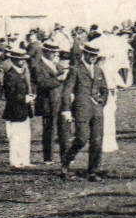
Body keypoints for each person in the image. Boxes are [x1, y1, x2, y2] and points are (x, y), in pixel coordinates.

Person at [59, 42, 111, 180]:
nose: (93, 58)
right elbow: (66, 91)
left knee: (97, 140)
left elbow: (105, 89)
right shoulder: (76, 69)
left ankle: (93, 170)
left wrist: (101, 102)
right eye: (91, 55)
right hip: (81, 109)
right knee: (81, 138)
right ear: (85, 54)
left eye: (95, 55)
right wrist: (66, 110)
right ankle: (66, 161)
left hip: (97, 110)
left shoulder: (99, 70)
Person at [28, 38, 66, 164]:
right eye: (53, 52)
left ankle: (64, 156)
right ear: (45, 52)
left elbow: (63, 72)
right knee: (49, 130)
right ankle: (48, 157)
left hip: (60, 100)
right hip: (47, 102)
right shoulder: (38, 65)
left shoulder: (55, 64)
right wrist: (58, 79)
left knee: (63, 129)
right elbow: (41, 83)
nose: (56, 54)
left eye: (56, 52)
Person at [0, 45, 34, 169]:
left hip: (24, 110)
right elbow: (10, 94)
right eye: (20, 59)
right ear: (13, 60)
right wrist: (25, 98)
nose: (23, 61)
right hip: (14, 110)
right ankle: (15, 161)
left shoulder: (22, 72)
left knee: (25, 136)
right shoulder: (10, 74)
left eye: (24, 59)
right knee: (15, 137)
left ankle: (24, 160)